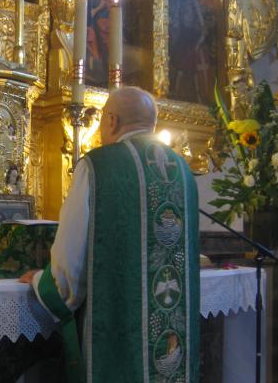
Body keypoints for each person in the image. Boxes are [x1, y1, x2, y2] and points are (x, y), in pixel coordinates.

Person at [20, 87, 200, 383]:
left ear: (112, 121)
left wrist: (43, 281)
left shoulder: (98, 166)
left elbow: (70, 262)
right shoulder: (182, 170)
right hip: (169, 318)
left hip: (117, 328)